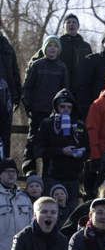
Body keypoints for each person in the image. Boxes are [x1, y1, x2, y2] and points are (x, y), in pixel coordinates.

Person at [21, 36, 70, 174]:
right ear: (44, 48)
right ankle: (29, 169)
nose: (52, 49)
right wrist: (28, 104)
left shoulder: (62, 68)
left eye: (55, 46)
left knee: (51, 142)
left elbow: (65, 91)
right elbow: (27, 87)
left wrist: (62, 109)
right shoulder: (37, 65)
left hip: (54, 113)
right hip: (37, 110)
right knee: (33, 140)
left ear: (58, 49)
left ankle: (48, 171)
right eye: (49, 46)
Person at [34, 89, 89, 209]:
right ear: (56, 106)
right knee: (50, 211)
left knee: (71, 215)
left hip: (73, 178)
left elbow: (88, 153)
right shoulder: (47, 124)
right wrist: (61, 151)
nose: (66, 109)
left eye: (69, 106)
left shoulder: (79, 125)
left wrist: (79, 154)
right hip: (52, 177)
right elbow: (38, 150)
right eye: (62, 106)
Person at [26, 13, 92, 90]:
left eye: (74, 22)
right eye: (68, 22)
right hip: (57, 88)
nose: (71, 24)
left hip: (79, 89)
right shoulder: (56, 43)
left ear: (78, 26)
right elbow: (33, 62)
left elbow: (91, 68)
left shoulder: (85, 46)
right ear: (63, 27)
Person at [0, 160, 33, 250]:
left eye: (14, 172)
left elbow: (32, 226)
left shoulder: (25, 199)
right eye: (7, 171)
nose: (11, 174)